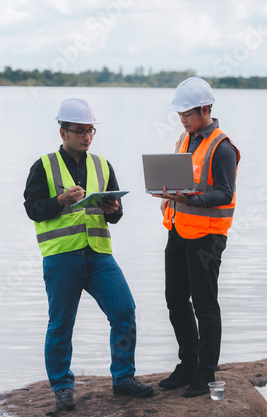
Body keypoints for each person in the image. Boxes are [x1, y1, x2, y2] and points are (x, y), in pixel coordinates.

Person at [24, 98, 154, 412]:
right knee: (61, 324)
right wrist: (60, 200)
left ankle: (123, 380)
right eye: (79, 131)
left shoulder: (102, 165)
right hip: (61, 257)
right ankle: (62, 389)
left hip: (98, 256)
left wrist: (113, 209)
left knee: (124, 311)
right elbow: (33, 210)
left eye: (90, 130)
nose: (86, 136)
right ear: (62, 132)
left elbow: (117, 214)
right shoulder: (43, 166)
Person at [153, 77, 240, 398]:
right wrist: (167, 194)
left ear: (205, 109)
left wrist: (190, 200)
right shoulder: (183, 140)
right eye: (179, 114)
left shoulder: (223, 147)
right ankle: (187, 364)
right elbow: (187, 182)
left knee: (205, 305)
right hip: (177, 230)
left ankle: (205, 373)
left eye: (187, 114)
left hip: (208, 237)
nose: (182, 119)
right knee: (175, 300)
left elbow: (224, 193)